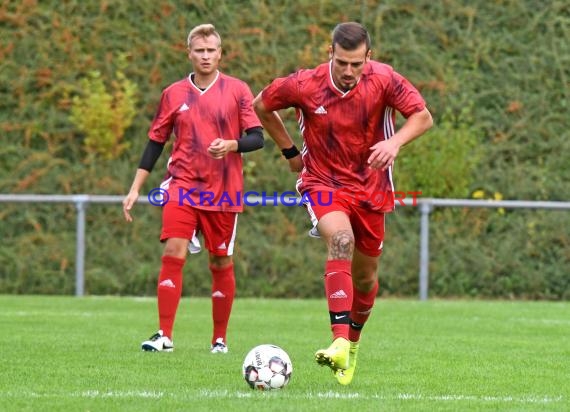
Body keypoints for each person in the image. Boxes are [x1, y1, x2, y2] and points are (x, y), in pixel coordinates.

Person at [253, 22, 432, 384]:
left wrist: (394, 143)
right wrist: (289, 150)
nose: (348, 71)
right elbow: (261, 105)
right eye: (341, 62)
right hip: (323, 181)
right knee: (340, 240)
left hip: (371, 188)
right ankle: (337, 340)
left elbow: (423, 117)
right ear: (329, 54)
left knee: (366, 279)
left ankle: (351, 346)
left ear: (369, 57)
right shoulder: (305, 84)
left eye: (356, 63)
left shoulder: (384, 79)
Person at [123, 23, 263, 354]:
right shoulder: (173, 94)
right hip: (182, 187)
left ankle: (219, 340)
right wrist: (134, 189)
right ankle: (164, 335)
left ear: (220, 53)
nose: (205, 56)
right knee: (173, 250)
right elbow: (155, 142)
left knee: (219, 262)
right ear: (189, 53)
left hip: (224, 192)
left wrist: (231, 145)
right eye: (199, 50)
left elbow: (257, 138)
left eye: (211, 50)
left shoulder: (238, 90)